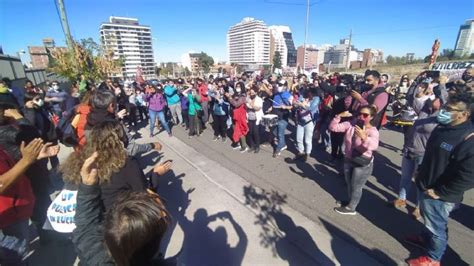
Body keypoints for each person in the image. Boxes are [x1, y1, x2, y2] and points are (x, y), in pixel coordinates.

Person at [406, 93, 473, 266]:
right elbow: (431, 155)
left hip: (440, 194)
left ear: (463, 114)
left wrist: (440, 191)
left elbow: (468, 175)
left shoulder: (468, 138)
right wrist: (420, 171)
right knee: (429, 222)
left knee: (437, 228)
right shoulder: (443, 128)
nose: (443, 111)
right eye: (445, 107)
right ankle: (424, 239)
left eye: (449, 109)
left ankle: (433, 259)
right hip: (426, 184)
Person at [72, 152, 171, 265]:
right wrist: (155, 177)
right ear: (154, 248)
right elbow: (85, 229)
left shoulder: (95, 255)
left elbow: (85, 226)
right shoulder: (95, 253)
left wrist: (87, 187)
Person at [0, 92, 60, 264]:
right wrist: (19, 117)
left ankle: (46, 235)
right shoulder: (6, 131)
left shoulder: (11, 126)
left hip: (25, 183)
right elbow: (34, 137)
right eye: (6, 109)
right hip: (16, 193)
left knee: (38, 211)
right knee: (16, 247)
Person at [61, 120, 172, 210]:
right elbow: (144, 195)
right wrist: (155, 174)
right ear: (119, 141)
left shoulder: (81, 161)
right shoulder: (127, 164)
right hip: (121, 221)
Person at [392, 97, 441, 220]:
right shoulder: (423, 111)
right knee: (405, 177)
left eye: (438, 98)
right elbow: (411, 96)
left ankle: (419, 207)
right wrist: (420, 79)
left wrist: (441, 87)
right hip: (409, 149)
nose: (434, 99)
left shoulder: (441, 117)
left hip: (423, 153)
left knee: (419, 182)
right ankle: (401, 199)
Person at [329, 106, 380, 215]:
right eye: (359, 113)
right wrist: (338, 116)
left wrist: (364, 137)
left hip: (362, 163)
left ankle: (351, 208)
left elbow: (374, 146)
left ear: (371, 117)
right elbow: (333, 128)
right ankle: (350, 201)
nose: (361, 116)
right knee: (349, 183)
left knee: (356, 186)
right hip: (348, 159)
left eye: (365, 115)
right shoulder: (351, 124)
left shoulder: (372, 131)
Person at [294, 87, 320, 161]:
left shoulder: (316, 99)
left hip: (309, 122)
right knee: (298, 138)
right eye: (308, 93)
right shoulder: (303, 97)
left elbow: (310, 108)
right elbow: (295, 103)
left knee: (307, 140)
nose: (309, 94)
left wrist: (301, 105)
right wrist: (297, 103)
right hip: (300, 121)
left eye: (311, 93)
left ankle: (307, 153)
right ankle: (300, 151)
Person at [272, 79, 293, 158]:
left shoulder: (288, 95)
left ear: (285, 87)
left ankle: (278, 149)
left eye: (280, 85)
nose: (278, 86)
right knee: (275, 132)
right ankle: (283, 144)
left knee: (280, 134)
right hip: (275, 116)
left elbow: (292, 106)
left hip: (283, 117)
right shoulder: (276, 94)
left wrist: (285, 107)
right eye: (278, 84)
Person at [226, 82, 249, 153]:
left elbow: (236, 104)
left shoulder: (243, 95)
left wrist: (230, 98)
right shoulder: (235, 94)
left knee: (240, 129)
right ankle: (237, 142)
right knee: (234, 129)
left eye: (239, 86)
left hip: (240, 115)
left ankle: (244, 146)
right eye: (236, 86)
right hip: (233, 114)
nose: (237, 88)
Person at [246, 86, 263, 153]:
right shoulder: (248, 98)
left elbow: (258, 108)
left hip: (256, 118)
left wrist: (251, 104)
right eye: (250, 92)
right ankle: (252, 146)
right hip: (249, 118)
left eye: (253, 93)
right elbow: (247, 107)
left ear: (256, 92)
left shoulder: (259, 99)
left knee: (256, 133)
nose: (251, 94)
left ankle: (257, 146)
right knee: (250, 133)